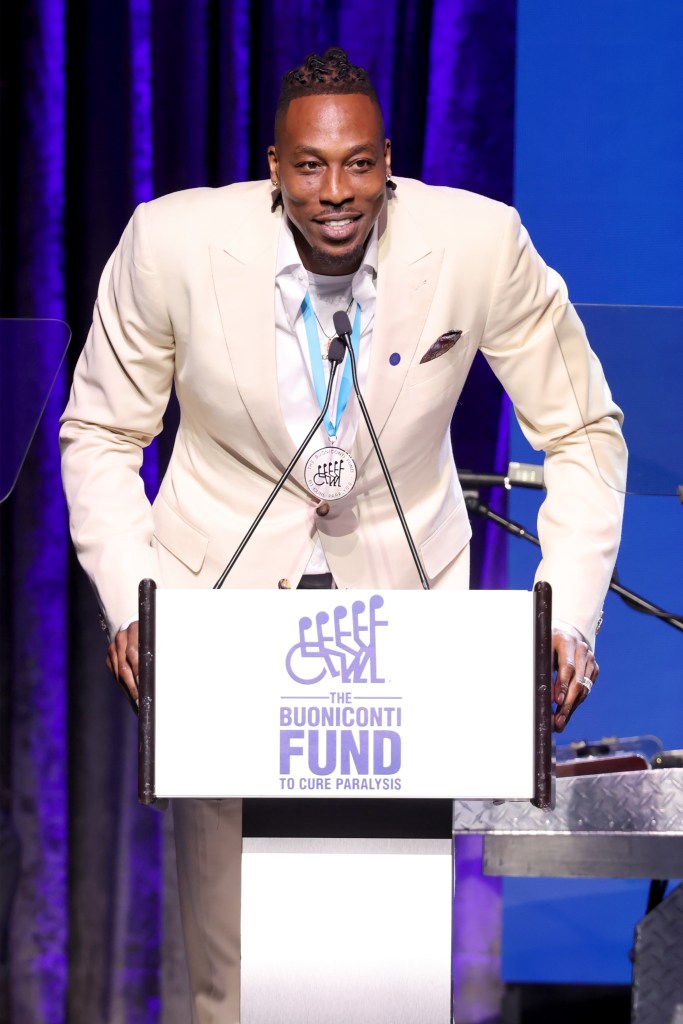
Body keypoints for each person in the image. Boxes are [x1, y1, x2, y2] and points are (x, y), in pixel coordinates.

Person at [60, 47, 626, 1024]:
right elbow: (101, 433)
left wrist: (568, 618)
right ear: (274, 169)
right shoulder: (169, 245)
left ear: (388, 164)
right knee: (229, 975)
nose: (337, 192)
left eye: (359, 164)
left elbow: (581, 428)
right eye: (312, 166)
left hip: (402, 620)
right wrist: (135, 601)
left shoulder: (477, 243)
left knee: (384, 963)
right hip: (221, 622)